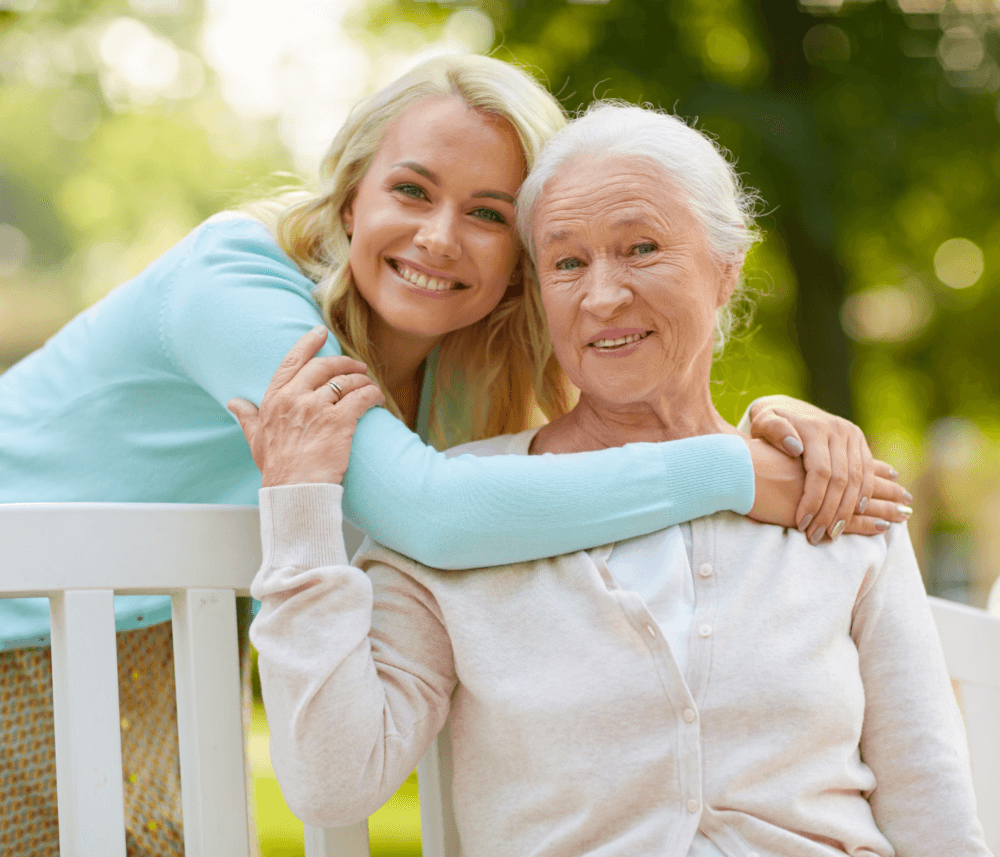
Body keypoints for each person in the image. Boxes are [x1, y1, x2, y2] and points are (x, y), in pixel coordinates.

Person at [0, 54, 906, 854]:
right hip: (20, 614)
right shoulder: (232, 280)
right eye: (410, 191)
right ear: (350, 195)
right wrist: (739, 471)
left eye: (486, 213)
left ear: (519, 256)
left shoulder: (455, 375)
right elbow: (435, 511)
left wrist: (770, 420)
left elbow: (585, 455)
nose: (438, 237)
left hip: (138, 638)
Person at [246, 101, 987, 856]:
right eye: (567, 262)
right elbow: (331, 782)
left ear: (727, 268)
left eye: (640, 248)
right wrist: (299, 514)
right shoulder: (468, 511)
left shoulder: (831, 491)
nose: (602, 296)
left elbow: (927, 791)